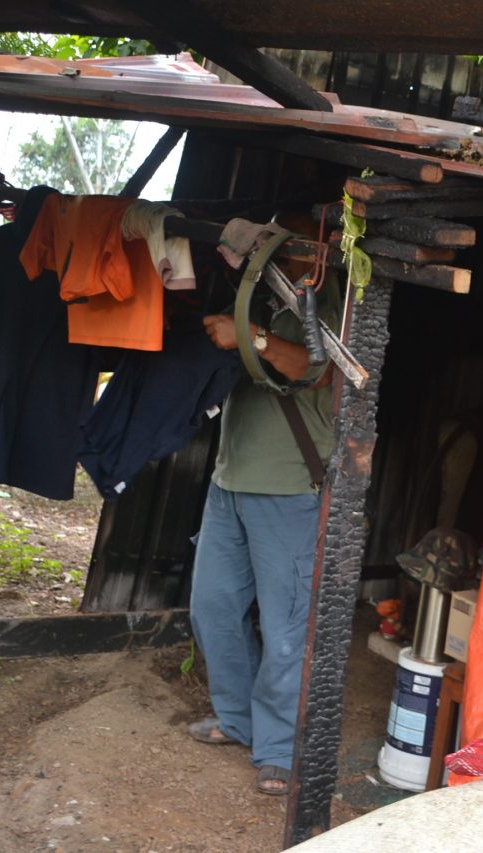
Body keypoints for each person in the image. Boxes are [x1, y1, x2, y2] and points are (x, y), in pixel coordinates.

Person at [185, 305, 335, 796]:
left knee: (285, 628)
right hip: (227, 482)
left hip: (291, 488)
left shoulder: (330, 293)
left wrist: (254, 338)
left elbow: (320, 373)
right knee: (212, 609)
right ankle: (237, 721)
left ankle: (279, 748)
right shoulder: (258, 291)